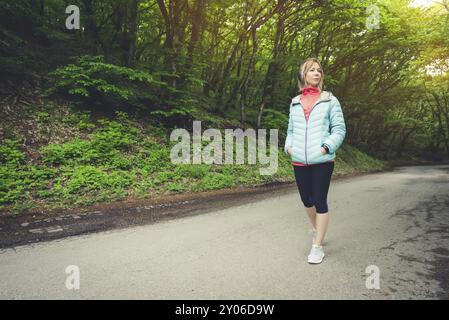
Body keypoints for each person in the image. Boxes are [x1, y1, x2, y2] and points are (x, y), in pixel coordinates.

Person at [284, 57, 346, 264]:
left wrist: (326, 147)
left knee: (319, 200)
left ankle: (317, 246)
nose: (317, 73)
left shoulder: (330, 100)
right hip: (299, 159)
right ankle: (318, 229)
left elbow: (339, 129)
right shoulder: (295, 102)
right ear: (303, 74)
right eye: (312, 70)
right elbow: (291, 131)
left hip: (322, 159)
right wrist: (289, 147)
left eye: (319, 70)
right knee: (306, 200)